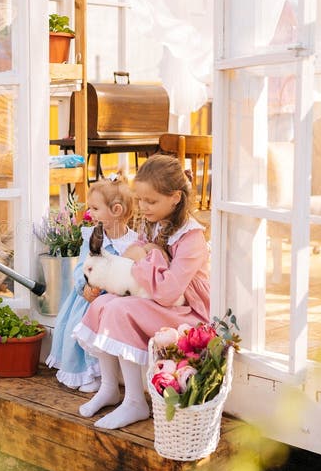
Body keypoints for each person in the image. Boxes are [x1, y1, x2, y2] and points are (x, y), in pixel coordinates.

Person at [72, 153, 210, 430]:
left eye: (151, 201)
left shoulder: (191, 238)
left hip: (188, 312)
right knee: (103, 304)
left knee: (121, 310)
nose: (143, 207)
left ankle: (135, 402)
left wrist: (144, 257)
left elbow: (169, 292)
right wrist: (145, 254)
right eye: (141, 200)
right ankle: (110, 387)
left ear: (175, 197)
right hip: (158, 299)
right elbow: (136, 258)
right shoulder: (153, 224)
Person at [45, 174, 138, 393]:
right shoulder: (94, 236)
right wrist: (84, 286)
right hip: (89, 296)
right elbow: (81, 268)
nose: (89, 214)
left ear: (116, 210)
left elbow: (132, 272)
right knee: (79, 332)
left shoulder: (133, 243)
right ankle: (85, 374)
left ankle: (102, 376)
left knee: (102, 334)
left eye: (95, 209)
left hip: (114, 299)